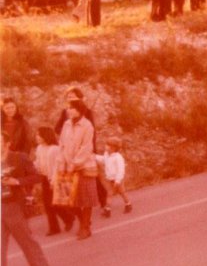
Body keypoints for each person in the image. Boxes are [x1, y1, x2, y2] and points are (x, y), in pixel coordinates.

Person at [2, 138, 51, 266]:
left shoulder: (18, 157)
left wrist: (16, 182)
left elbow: (36, 177)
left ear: (7, 143)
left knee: (25, 240)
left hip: (14, 205)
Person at [57, 99, 98, 240]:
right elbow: (62, 144)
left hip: (84, 166)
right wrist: (62, 162)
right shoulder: (66, 124)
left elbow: (86, 147)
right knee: (69, 199)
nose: (69, 110)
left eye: (72, 108)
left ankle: (85, 227)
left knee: (86, 199)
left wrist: (74, 163)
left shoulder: (87, 126)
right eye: (68, 108)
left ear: (79, 110)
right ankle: (83, 222)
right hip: (68, 166)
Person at [34, 126, 74, 236]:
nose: (36, 137)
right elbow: (38, 161)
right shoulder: (39, 148)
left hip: (54, 178)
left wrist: (53, 180)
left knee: (55, 202)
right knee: (47, 204)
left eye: (38, 135)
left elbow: (57, 166)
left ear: (45, 136)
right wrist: (35, 168)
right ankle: (54, 227)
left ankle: (68, 217)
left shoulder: (54, 149)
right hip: (45, 177)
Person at [99, 136, 133, 216]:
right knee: (109, 193)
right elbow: (103, 160)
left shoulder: (118, 158)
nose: (105, 146)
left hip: (118, 179)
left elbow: (121, 170)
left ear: (113, 147)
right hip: (110, 178)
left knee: (122, 192)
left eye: (108, 145)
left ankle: (128, 204)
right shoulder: (106, 155)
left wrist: (118, 180)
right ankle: (107, 210)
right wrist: (94, 157)